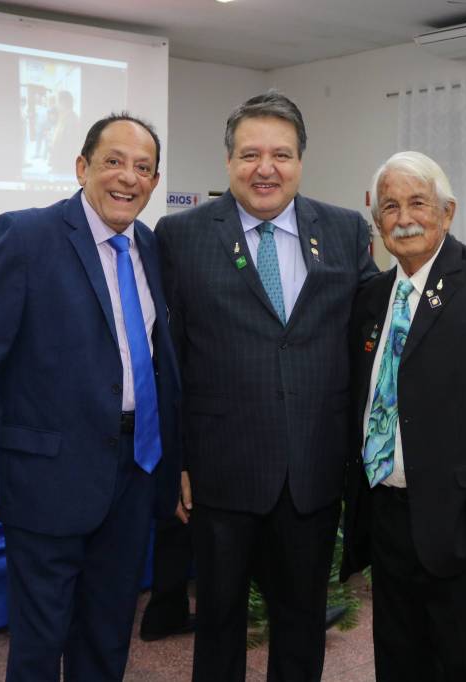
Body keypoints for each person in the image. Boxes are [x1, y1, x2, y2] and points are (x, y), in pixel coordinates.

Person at [0, 114, 181, 681]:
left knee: (108, 633)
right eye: (113, 161)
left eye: (143, 168)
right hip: (47, 481)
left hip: (135, 473)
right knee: (39, 642)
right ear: (82, 167)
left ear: (154, 183)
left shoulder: (150, 246)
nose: (128, 177)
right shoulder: (25, 237)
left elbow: (160, 363)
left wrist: (174, 465)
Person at [155, 90, 377, 682]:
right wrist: (176, 460)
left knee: (302, 624)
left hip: (312, 470)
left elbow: (375, 330)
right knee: (219, 623)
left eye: (281, 154)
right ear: (229, 161)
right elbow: (168, 360)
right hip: (220, 473)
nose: (266, 168)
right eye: (250, 154)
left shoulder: (345, 230)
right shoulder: (180, 236)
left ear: (301, 161)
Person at [340, 151, 466, 681]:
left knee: (464, 665)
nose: (404, 218)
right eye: (390, 207)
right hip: (387, 516)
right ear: (376, 221)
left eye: (418, 203)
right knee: (399, 661)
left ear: (447, 212)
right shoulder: (371, 297)